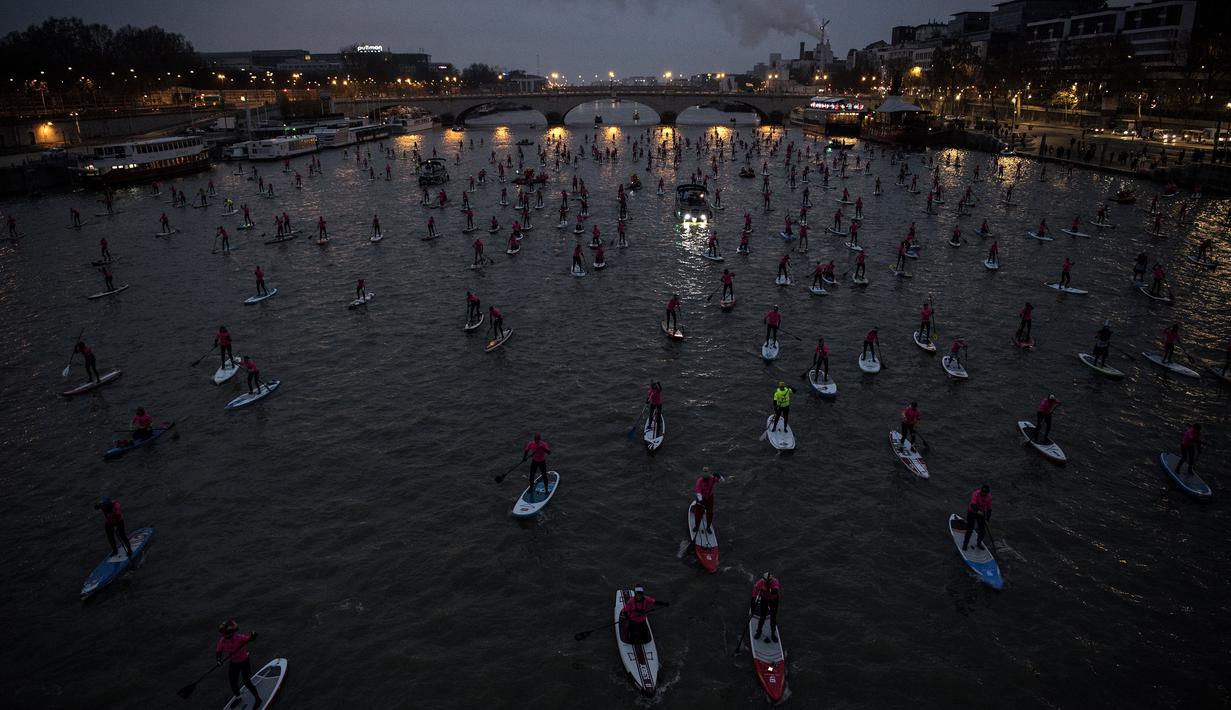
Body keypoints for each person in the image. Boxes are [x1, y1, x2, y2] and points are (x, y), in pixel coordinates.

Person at [215, 620, 261, 708]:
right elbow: (218, 651)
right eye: (222, 633)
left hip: (244, 662)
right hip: (234, 663)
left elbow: (250, 639)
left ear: (230, 632)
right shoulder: (222, 641)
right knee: (233, 682)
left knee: (247, 682)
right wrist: (218, 660)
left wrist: (253, 635)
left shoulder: (239, 637)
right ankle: (238, 697)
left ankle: (258, 699)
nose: (223, 635)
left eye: (225, 633)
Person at [692, 467, 724, 533]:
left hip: (710, 498)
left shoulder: (712, 478)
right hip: (701, 499)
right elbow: (698, 493)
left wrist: (719, 476)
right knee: (698, 514)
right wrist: (701, 501)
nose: (705, 479)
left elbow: (722, 481)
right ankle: (697, 526)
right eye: (704, 478)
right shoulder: (699, 481)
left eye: (706, 478)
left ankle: (708, 527)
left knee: (710, 513)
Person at [750, 573, 780, 642]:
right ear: (763, 580)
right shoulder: (760, 583)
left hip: (774, 600)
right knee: (762, 617)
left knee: (773, 618)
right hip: (764, 599)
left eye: (768, 582)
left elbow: (775, 591)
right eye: (765, 581)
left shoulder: (775, 582)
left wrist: (767, 589)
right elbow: (753, 596)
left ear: (771, 580)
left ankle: (773, 634)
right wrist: (752, 607)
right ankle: (759, 631)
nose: (766, 583)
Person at [521, 433, 552, 500]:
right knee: (531, 475)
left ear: (540, 439)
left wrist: (542, 448)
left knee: (544, 476)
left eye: (538, 440)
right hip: (534, 461)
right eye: (535, 440)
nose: (536, 441)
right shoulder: (531, 443)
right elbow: (526, 450)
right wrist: (524, 458)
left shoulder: (543, 444)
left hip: (542, 462)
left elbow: (549, 452)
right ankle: (531, 488)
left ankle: (546, 490)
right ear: (534, 439)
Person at [962, 485, 993, 551]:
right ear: (981, 490)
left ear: (987, 493)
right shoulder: (976, 494)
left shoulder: (989, 497)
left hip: (981, 513)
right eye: (983, 492)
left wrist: (987, 519)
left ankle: (979, 543)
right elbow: (972, 505)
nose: (984, 493)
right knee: (970, 529)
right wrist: (978, 511)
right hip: (972, 512)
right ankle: (965, 544)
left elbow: (989, 509)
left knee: (982, 531)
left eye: (986, 493)